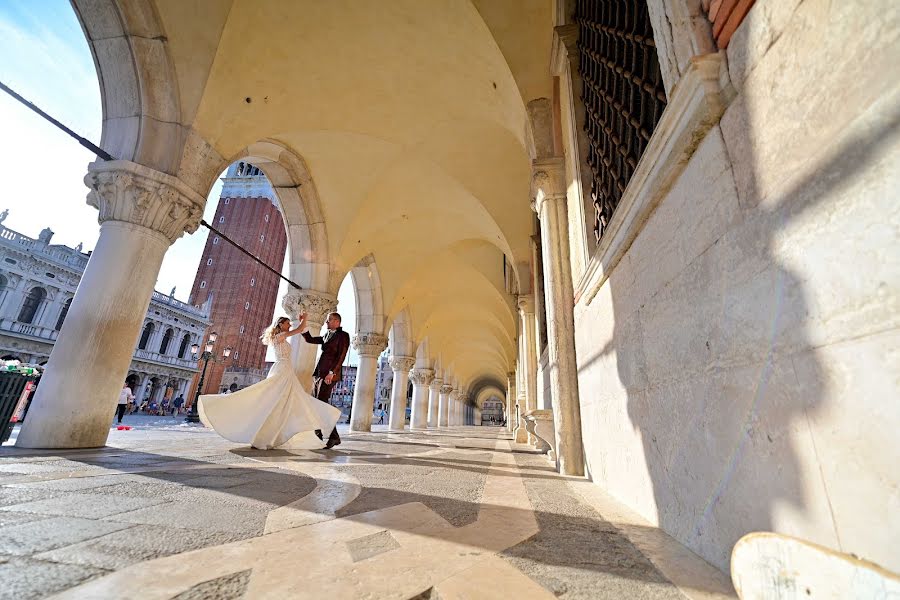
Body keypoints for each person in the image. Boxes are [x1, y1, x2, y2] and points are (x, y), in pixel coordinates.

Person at [198, 315, 341, 450]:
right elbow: (298, 330)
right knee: (277, 400)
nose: (290, 324)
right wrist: (304, 319)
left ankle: (275, 434)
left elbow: (300, 333)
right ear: (280, 324)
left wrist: (303, 321)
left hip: (286, 369)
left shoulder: (280, 337)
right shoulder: (279, 336)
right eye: (287, 323)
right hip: (282, 370)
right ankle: (267, 435)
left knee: (282, 401)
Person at [299, 311, 350, 449]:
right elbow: (310, 339)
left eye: (329, 320)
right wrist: (302, 325)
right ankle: (322, 434)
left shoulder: (343, 336)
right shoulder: (326, 335)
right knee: (317, 403)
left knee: (321, 403)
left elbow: (342, 356)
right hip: (319, 373)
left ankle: (330, 435)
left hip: (330, 375)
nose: (326, 322)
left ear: (337, 322)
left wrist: (332, 372)